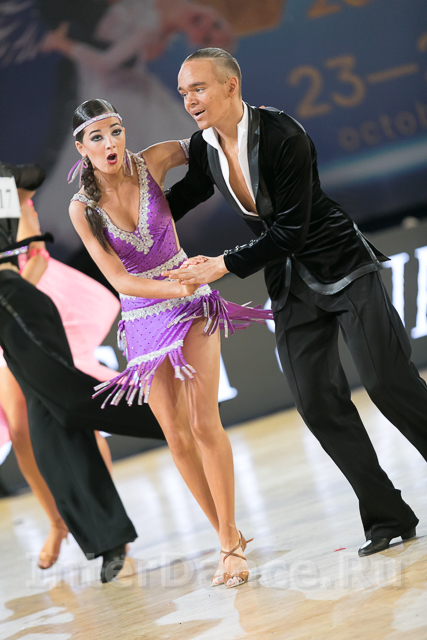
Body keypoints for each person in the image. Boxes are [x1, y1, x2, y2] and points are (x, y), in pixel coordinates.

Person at [162, 47, 427, 557]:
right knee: (316, 402)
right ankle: (387, 514)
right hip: (289, 281)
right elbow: (182, 199)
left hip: (342, 264)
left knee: (387, 382)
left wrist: (221, 264)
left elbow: (290, 231)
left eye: (198, 88)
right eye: (183, 92)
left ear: (230, 85)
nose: (189, 100)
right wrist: (130, 215)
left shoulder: (284, 134)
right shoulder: (203, 146)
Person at [68, 98, 272, 587]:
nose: (110, 143)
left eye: (115, 131)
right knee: (176, 436)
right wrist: (176, 288)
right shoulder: (82, 208)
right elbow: (120, 279)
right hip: (143, 313)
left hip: (191, 299)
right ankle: (227, 535)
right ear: (81, 148)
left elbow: (213, 144)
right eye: (97, 137)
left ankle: (229, 545)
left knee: (203, 422)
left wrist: (250, 128)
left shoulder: (155, 159)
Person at [0, 162, 165, 583]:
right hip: (9, 308)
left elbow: (28, 185)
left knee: (70, 402)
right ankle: (108, 540)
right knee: (43, 427)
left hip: (13, 300)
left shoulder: (3, 188)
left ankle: (172, 417)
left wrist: (7, 189)